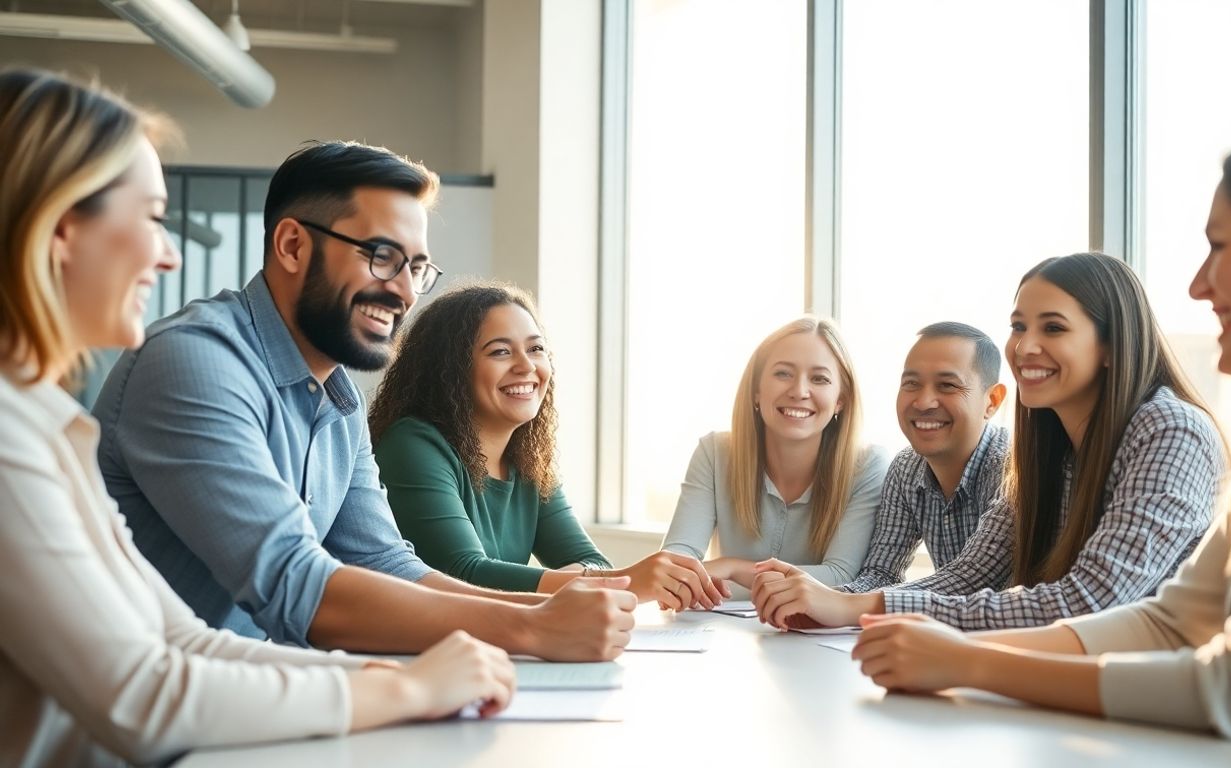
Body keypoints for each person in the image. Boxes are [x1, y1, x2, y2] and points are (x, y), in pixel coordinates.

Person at [0, 67, 515, 767]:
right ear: (62, 230)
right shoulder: (27, 432)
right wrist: (406, 690)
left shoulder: (45, 423)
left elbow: (181, 639)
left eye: (415, 266)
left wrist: (394, 680)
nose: (169, 253)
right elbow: (144, 695)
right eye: (152, 219)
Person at [849, 103, 1231, 767]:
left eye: (1221, 245)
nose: (1198, 283)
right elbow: (1171, 621)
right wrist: (945, 648)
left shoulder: (1183, 430)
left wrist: (972, 664)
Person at [93, 140, 634, 660]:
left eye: (416, 268)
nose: (403, 292)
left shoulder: (338, 395)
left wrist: (550, 609)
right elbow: (296, 585)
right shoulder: (196, 362)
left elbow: (383, 561)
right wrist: (532, 627)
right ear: (292, 246)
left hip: (247, 687)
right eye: (381, 256)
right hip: (142, 724)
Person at [754, 253, 1224, 630]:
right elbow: (968, 576)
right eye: (1019, 326)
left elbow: (1090, 600)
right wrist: (837, 604)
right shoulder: (1046, 447)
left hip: (1174, 705)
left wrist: (853, 609)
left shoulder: (1170, 429)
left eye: (1053, 327)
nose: (1024, 346)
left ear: (1111, 344)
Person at [369, 282, 725, 610]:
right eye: (500, 352)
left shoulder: (527, 462)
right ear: (449, 369)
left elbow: (593, 562)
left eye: (536, 348)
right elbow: (463, 574)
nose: (527, 366)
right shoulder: (412, 444)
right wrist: (607, 582)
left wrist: (589, 579)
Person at [661, 317, 890, 592]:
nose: (799, 391)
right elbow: (675, 568)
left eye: (819, 378)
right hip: (721, 632)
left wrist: (732, 568)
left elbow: (841, 577)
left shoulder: (868, 466)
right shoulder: (714, 454)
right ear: (756, 390)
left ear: (840, 400)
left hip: (816, 635)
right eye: (783, 374)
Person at [838, 321, 1010, 594]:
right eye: (912, 383)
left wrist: (837, 603)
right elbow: (881, 573)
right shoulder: (906, 467)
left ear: (992, 401)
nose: (923, 402)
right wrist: (830, 598)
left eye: (947, 385)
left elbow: (972, 580)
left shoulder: (1010, 469)